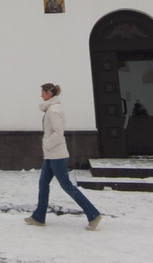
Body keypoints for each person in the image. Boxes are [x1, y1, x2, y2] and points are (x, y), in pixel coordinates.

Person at [25, 83, 103, 230]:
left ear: (48, 93)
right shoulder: (50, 109)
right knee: (43, 184)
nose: (41, 95)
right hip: (51, 155)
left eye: (42, 92)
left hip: (56, 154)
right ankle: (38, 217)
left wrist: (47, 144)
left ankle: (93, 214)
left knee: (66, 185)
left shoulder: (53, 111)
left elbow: (58, 132)